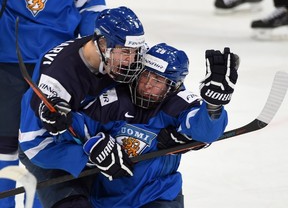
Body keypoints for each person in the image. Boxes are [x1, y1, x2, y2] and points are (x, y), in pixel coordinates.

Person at [19, 43, 239, 207]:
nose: (147, 86)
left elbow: (204, 131)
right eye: (145, 76)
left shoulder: (179, 104)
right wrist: (88, 141)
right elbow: (78, 128)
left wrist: (212, 107)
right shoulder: (113, 99)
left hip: (158, 197)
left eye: (158, 83)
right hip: (108, 198)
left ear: (174, 86)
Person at [18, 6, 146, 208]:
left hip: (94, 142)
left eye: (136, 51)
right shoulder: (59, 74)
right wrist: (90, 154)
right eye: (126, 52)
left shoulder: (112, 58)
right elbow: (34, 140)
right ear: (102, 45)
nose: (132, 60)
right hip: (46, 149)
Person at [0, 0, 106, 207]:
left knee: (49, 141)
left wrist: (94, 58)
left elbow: (91, 7)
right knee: (5, 144)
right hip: (7, 64)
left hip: (58, 68)